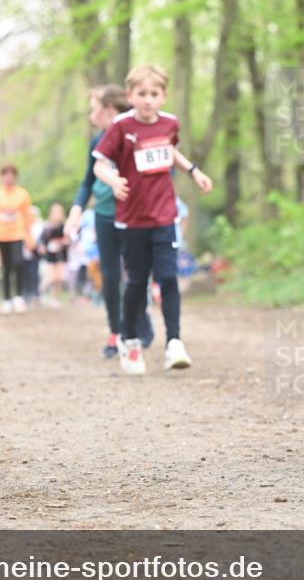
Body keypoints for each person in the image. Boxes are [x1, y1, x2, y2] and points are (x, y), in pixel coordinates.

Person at [93, 63, 213, 375]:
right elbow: (99, 165)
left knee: (168, 277)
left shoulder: (170, 123)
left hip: (164, 215)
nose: (148, 100)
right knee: (136, 282)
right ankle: (129, 340)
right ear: (130, 95)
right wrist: (113, 180)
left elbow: (170, 151)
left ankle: (174, 342)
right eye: (141, 93)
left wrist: (194, 170)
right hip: (132, 219)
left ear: (163, 96)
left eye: (154, 94)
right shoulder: (120, 126)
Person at [65, 85, 154, 359]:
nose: (92, 117)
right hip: (104, 215)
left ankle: (139, 320)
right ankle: (116, 331)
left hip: (134, 216)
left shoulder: (137, 137)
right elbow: (87, 181)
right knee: (110, 275)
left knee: (136, 274)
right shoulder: (97, 142)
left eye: (94, 111)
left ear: (109, 110)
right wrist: (76, 210)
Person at [0, 164, 33, 314]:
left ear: (15, 176)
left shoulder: (22, 194)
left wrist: (29, 236)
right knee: (5, 267)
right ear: (1, 177)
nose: (8, 177)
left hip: (17, 234)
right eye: (5, 174)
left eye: (11, 174)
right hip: (1, 235)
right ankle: (6, 299)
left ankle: (18, 297)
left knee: (18, 263)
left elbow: (27, 216)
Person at [38, 202, 70, 307]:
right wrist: (43, 247)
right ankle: (40, 291)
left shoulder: (64, 227)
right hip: (50, 256)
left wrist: (59, 243)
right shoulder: (47, 227)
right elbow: (42, 240)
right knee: (51, 276)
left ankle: (55, 298)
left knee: (59, 277)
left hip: (61, 255)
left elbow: (68, 240)